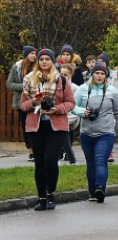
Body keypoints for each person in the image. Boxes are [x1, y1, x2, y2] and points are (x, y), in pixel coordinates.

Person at [20, 49, 75, 211]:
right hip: (35, 126)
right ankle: (41, 198)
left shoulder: (61, 80)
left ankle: (51, 194)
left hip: (56, 126)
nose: (44, 62)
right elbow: (23, 105)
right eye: (41, 59)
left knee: (50, 159)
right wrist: (35, 102)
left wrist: (57, 108)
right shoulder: (29, 79)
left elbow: (71, 102)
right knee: (40, 162)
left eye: (47, 59)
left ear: (52, 61)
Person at [72, 63, 118, 202]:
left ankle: (100, 188)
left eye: (102, 74)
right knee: (91, 163)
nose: (100, 76)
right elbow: (72, 106)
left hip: (106, 133)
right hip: (86, 133)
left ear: (106, 76)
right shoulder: (82, 89)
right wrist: (82, 112)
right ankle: (92, 191)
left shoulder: (112, 91)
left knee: (101, 160)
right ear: (92, 74)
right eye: (97, 73)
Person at [7, 46, 37, 161]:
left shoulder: (38, 67)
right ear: (26, 55)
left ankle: (39, 149)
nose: (34, 55)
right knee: (26, 127)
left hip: (36, 101)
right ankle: (31, 151)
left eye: (35, 53)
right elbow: (9, 84)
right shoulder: (17, 67)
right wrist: (24, 87)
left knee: (37, 126)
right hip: (21, 102)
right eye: (32, 53)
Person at [59, 64, 80, 165]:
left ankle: (70, 158)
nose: (63, 76)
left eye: (65, 75)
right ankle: (70, 158)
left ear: (70, 75)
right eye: (61, 74)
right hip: (60, 115)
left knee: (64, 135)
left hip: (71, 115)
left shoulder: (75, 88)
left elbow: (76, 104)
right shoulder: (57, 86)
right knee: (63, 136)